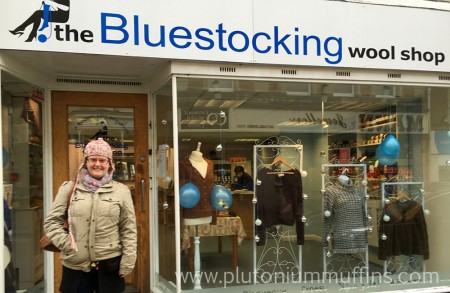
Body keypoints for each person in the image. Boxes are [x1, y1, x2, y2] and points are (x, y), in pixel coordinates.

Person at [43, 138, 137, 293]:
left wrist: (128, 260)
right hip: (75, 263)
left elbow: (128, 228)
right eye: (93, 159)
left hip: (110, 263)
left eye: (102, 160)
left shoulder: (121, 191)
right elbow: (52, 222)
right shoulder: (69, 189)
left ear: (109, 163)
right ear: (86, 161)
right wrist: (67, 244)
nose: (97, 164)